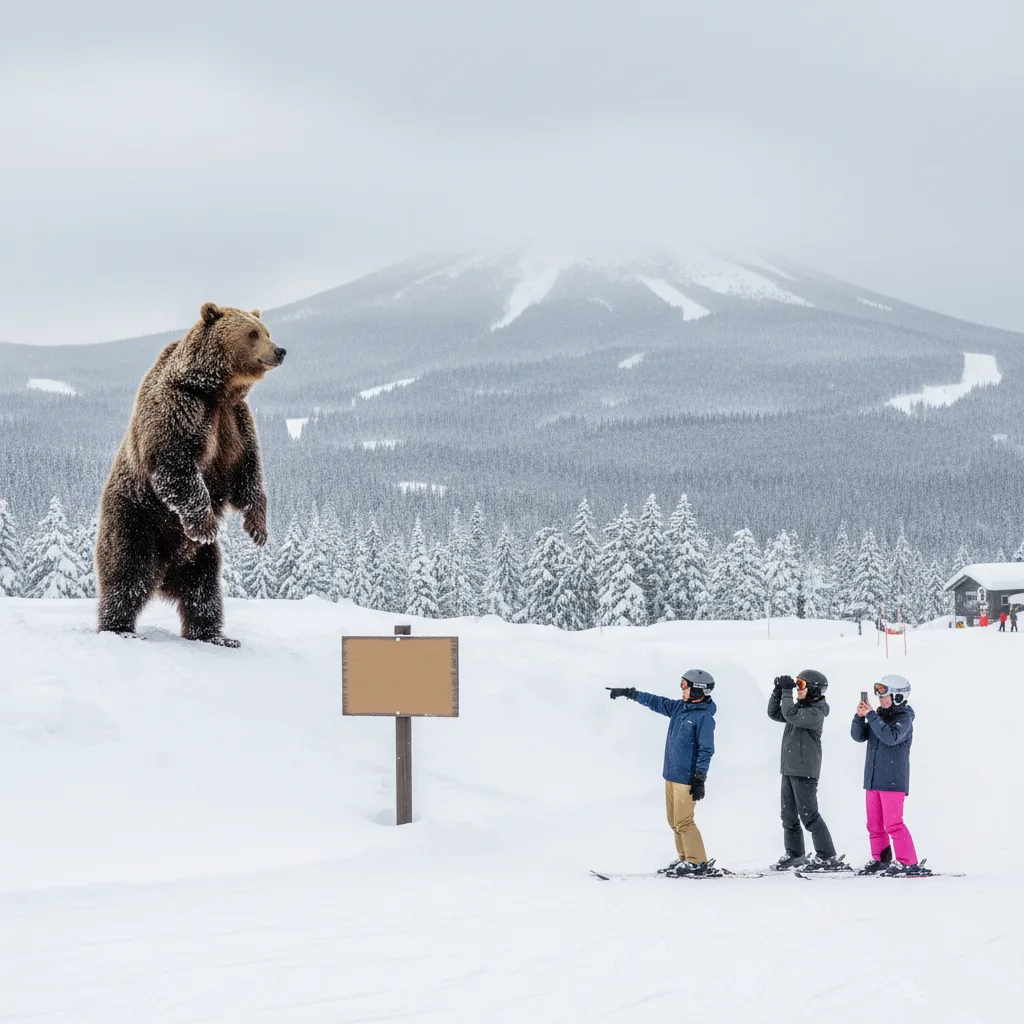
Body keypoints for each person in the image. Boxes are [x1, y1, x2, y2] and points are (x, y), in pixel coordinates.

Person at [607, 669, 717, 877]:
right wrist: (630, 693)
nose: (681, 689)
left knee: (684, 821)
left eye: (685, 685)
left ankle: (698, 862)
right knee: (674, 822)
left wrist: (700, 778)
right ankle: (685, 858)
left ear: (697, 690)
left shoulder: (703, 718)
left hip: (687, 779)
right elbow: (655, 702)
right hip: (671, 776)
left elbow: (706, 750)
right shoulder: (679, 708)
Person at [767, 670, 845, 871]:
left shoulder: (815, 713)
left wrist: (786, 693)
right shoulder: (800, 708)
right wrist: (778, 692)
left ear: (813, 689)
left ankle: (827, 856)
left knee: (810, 816)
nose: (797, 690)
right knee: (789, 816)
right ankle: (795, 854)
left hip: (805, 772)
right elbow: (775, 713)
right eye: (797, 684)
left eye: (801, 685)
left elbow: (790, 714)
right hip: (790, 769)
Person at [852, 675, 929, 875]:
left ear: (898, 696)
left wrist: (872, 717)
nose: (880, 699)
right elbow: (858, 736)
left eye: (885, 695)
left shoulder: (904, 718)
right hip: (873, 779)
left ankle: (908, 863)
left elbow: (891, 737)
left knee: (893, 824)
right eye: (879, 695)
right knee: (874, 825)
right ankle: (881, 859)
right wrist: (860, 717)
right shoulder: (878, 715)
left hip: (893, 780)